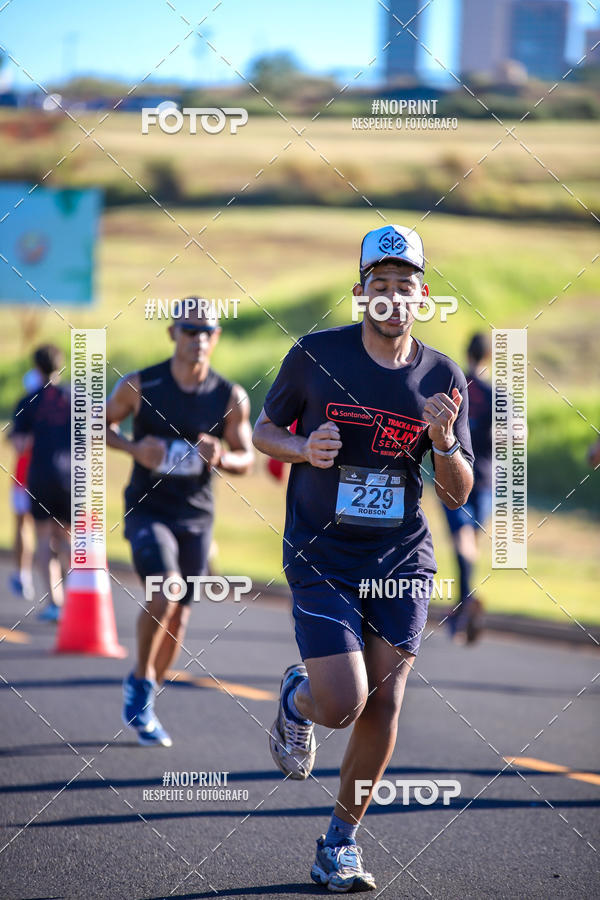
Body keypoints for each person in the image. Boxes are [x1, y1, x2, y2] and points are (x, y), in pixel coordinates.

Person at [253, 224, 474, 893]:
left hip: (401, 555)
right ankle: (298, 697)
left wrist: (442, 441)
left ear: (422, 296)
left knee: (385, 701)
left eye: (404, 287)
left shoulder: (442, 376)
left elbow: (457, 490)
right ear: (361, 293)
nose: (392, 298)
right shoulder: (315, 356)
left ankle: (339, 845)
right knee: (342, 702)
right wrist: (302, 450)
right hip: (323, 551)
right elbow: (266, 430)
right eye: (379, 286)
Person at [106, 298, 254, 748]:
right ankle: (141, 685)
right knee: (165, 588)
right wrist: (136, 449)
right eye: (191, 330)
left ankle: (145, 690)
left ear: (217, 337)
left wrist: (224, 456)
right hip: (149, 510)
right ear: (173, 333)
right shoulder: (141, 384)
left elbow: (247, 457)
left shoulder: (231, 396)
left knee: (180, 616)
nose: (199, 339)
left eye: (207, 331)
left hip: (196, 515)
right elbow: (96, 424)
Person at [10, 346, 71, 623]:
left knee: (45, 537)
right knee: (68, 538)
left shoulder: (29, 400)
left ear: (36, 367)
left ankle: (55, 602)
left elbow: (20, 443)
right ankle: (78, 595)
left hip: (41, 475)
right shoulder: (74, 398)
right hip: (72, 476)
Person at [442, 333, 492, 644]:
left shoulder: (454, 388)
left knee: (462, 540)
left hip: (454, 474)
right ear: (487, 356)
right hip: (485, 478)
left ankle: (464, 601)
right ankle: (464, 601)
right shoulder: (497, 394)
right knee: (469, 539)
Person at [9, 368, 44, 602]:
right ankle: (27, 578)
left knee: (29, 526)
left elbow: (17, 442)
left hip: (29, 475)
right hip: (38, 475)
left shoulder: (26, 404)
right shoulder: (62, 402)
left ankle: (25, 576)